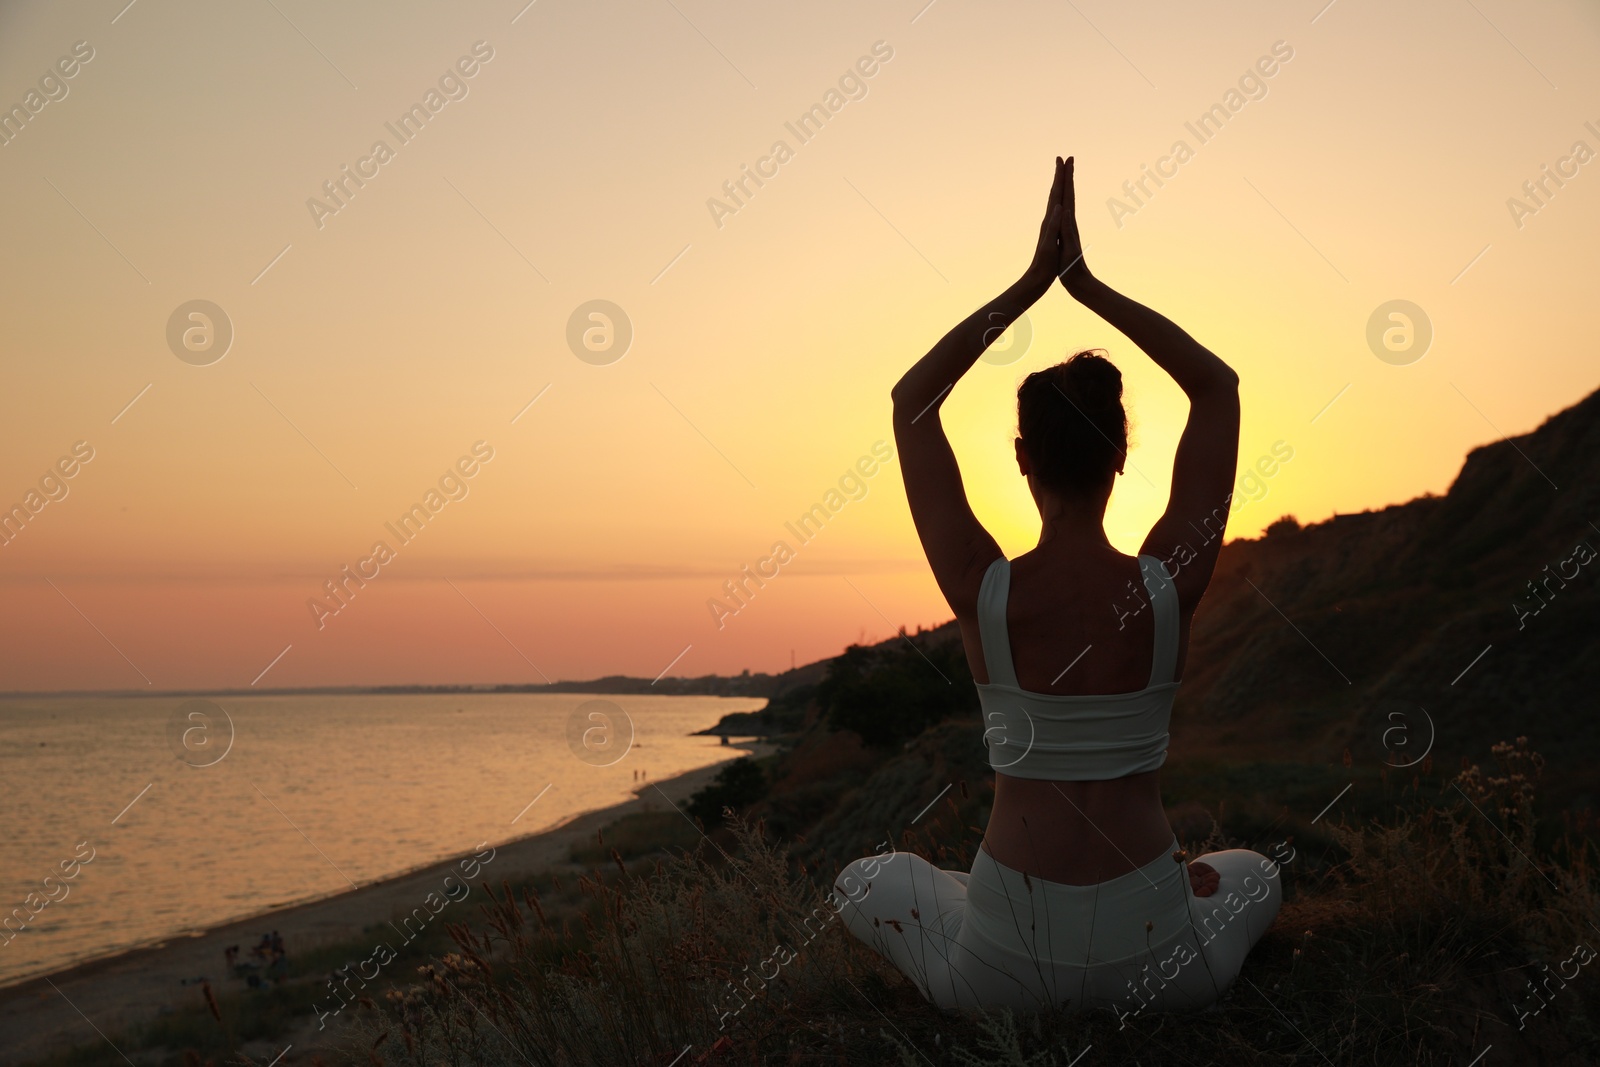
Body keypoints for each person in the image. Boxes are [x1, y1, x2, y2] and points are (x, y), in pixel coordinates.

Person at [833, 156, 1281, 1016]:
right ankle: (1154, 897)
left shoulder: (982, 589)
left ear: (1022, 459)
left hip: (1004, 971)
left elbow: (911, 400)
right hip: (1160, 966)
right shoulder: (1168, 586)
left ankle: (979, 898)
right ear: (1121, 455)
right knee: (1257, 873)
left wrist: (1032, 283)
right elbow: (1217, 389)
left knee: (865, 881)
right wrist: (1089, 287)